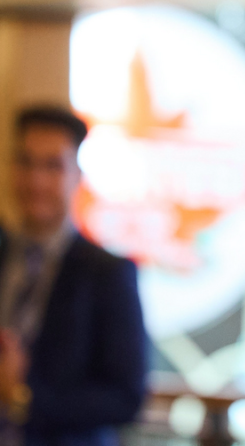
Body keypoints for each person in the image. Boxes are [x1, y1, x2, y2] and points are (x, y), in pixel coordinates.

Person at [0, 105, 147, 445]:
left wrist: (23, 396)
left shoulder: (107, 273)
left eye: (53, 165)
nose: (36, 180)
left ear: (76, 176)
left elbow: (126, 398)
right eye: (26, 162)